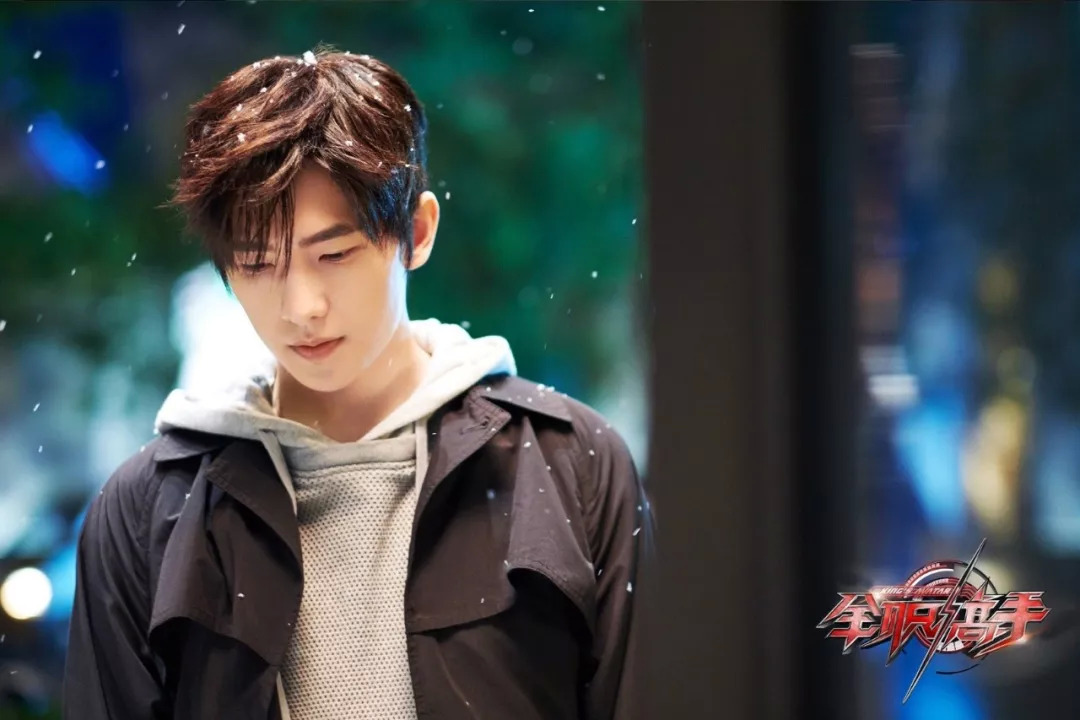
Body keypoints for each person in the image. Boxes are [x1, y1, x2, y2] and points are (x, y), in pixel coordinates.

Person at [61, 48, 654, 720]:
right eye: (257, 264)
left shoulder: (571, 466)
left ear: (417, 232)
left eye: (334, 254)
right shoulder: (148, 510)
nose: (301, 307)